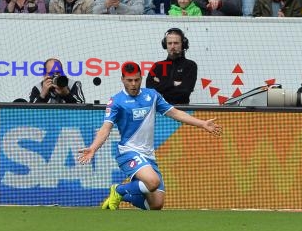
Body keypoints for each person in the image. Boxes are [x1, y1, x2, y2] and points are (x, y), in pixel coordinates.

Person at [78, 62, 222, 211]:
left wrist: (202, 124)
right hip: (128, 152)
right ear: (122, 79)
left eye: (136, 80)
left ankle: (121, 194)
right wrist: (93, 148)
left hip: (148, 155)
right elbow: (105, 128)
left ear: (141, 78)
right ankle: (119, 190)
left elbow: (175, 113)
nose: (133, 84)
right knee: (153, 182)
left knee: (156, 205)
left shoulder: (152, 95)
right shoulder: (116, 101)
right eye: (129, 80)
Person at [146, 28, 197, 105]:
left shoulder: (190, 65)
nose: (172, 46)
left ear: (183, 44)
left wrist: (161, 84)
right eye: (169, 43)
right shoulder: (157, 66)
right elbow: (150, 91)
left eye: (176, 43)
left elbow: (185, 91)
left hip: (182, 111)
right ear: (165, 45)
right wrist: (173, 83)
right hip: (160, 111)